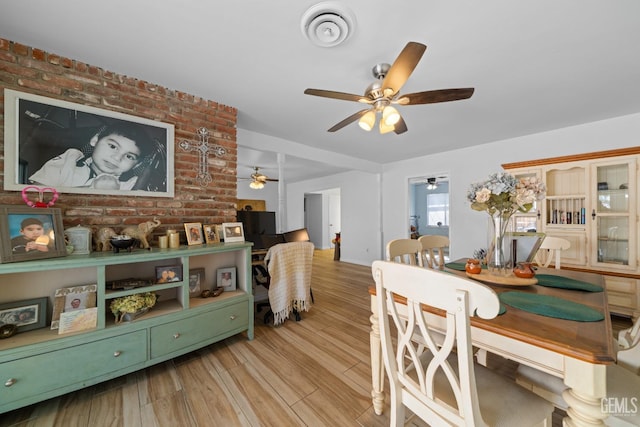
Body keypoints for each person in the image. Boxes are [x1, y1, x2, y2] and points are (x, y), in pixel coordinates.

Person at [28, 122, 158, 190]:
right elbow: (36, 197)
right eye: (113, 146)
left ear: (137, 163)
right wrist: (92, 189)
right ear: (95, 140)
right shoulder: (70, 159)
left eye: (129, 156)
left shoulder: (131, 184)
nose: (117, 158)